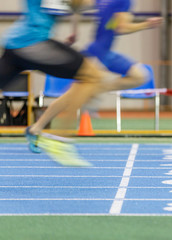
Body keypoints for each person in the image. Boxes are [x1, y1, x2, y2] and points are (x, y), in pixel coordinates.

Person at [0, 0, 108, 166]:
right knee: (91, 76)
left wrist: (76, 23)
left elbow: (71, 5)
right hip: (31, 43)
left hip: (16, 43)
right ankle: (60, 138)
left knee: (91, 77)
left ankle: (36, 129)